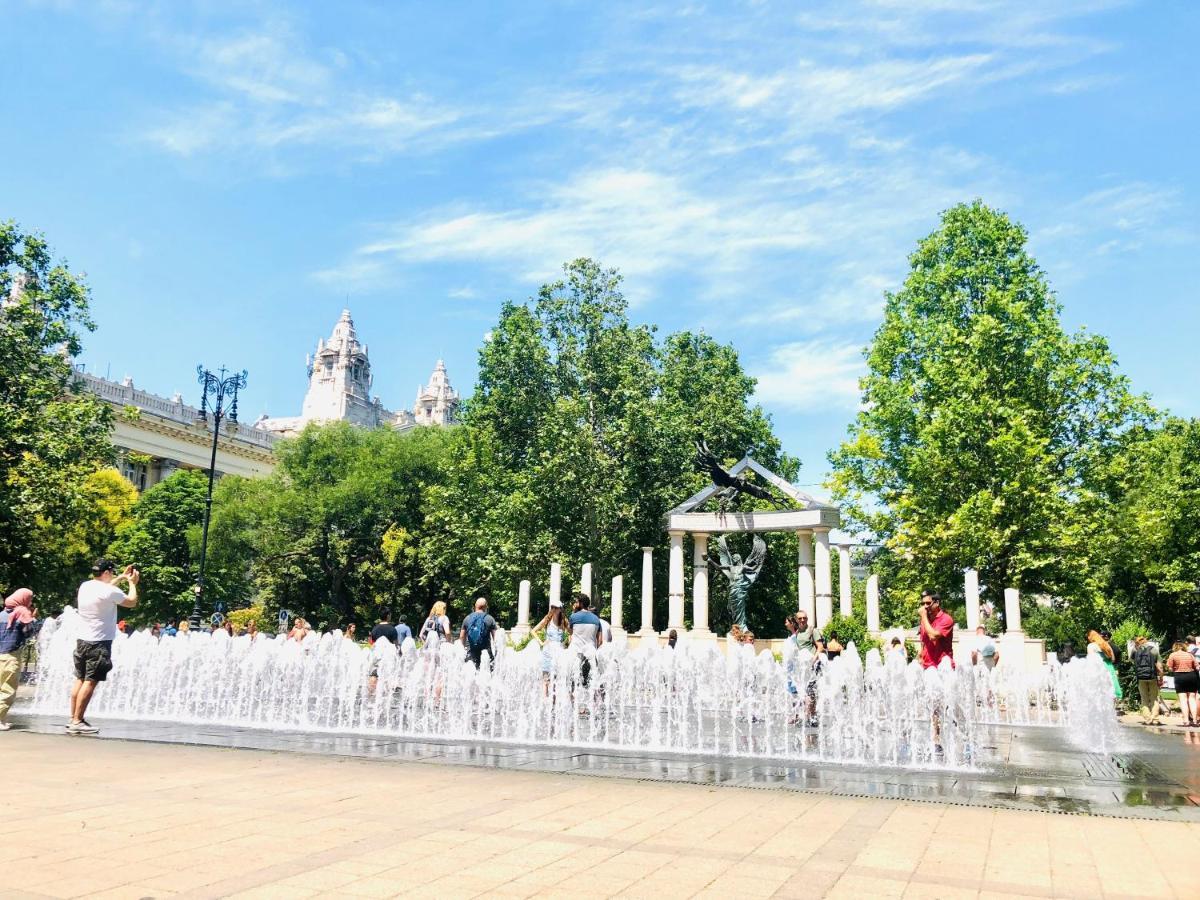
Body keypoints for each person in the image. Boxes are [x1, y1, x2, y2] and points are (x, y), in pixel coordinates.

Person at [69, 559, 139, 734]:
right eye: (112, 572)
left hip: (82, 641)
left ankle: (73, 719)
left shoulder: (86, 586)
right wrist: (132, 583)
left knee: (80, 678)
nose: (113, 575)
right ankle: (78, 721)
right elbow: (131, 601)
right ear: (106, 573)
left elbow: (107, 590)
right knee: (90, 681)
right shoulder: (108, 590)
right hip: (99, 642)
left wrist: (121, 577)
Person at [0, 588, 39, 730]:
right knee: (7, 690)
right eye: (29, 599)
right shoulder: (22, 614)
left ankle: (2, 719)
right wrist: (34, 618)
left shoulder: (1, 614)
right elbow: (30, 633)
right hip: (10, 657)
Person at [567, 592, 603, 688]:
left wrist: (574, 611)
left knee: (573, 681)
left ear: (581, 603)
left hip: (576, 653)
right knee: (594, 680)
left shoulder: (573, 617)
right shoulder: (596, 619)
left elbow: (570, 632)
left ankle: (573, 700)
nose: (575, 604)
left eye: (576, 602)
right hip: (591, 655)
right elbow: (600, 640)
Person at [532, 597, 567, 692]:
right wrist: (541, 642)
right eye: (553, 607)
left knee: (556, 680)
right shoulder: (547, 619)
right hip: (548, 652)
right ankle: (545, 703)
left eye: (557, 607)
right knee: (546, 680)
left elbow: (571, 632)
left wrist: (565, 642)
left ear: (560, 609)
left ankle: (553, 704)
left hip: (559, 653)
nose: (554, 609)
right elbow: (533, 631)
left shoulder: (563, 620)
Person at [1166, 641, 1200, 727]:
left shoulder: (1173, 655)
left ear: (1175, 647)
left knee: (1183, 700)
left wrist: (1174, 668)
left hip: (1179, 676)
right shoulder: (1190, 655)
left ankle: (1186, 721)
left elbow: (1169, 668)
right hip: (1192, 676)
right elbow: (1197, 667)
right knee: (1192, 699)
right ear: (1184, 647)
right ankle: (1195, 721)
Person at [918, 592, 954, 669]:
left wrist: (924, 617)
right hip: (927, 666)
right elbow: (923, 641)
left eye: (928, 603)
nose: (925, 606)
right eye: (922, 604)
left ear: (937, 603)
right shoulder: (924, 620)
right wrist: (920, 657)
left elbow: (933, 636)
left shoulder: (946, 619)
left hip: (943, 667)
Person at [460, 598, 498, 670]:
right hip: (486, 652)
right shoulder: (490, 618)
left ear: (475, 606)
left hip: (471, 651)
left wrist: (463, 648)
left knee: (470, 673)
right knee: (488, 673)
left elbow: (462, 636)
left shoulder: (467, 618)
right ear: (486, 607)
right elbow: (496, 637)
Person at [1133, 636, 1163, 725]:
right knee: (1154, 698)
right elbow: (1159, 666)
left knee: (1144, 698)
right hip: (1152, 677)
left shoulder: (1135, 651)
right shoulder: (1153, 650)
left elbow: (1132, 661)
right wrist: (1161, 677)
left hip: (1140, 677)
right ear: (1146, 641)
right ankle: (1155, 719)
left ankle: (1147, 718)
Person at [1087, 629, 1121, 702]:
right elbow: (1113, 658)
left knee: (1098, 688)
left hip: (1097, 668)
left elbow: (1090, 659)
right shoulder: (1106, 645)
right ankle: (1111, 708)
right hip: (1109, 667)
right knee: (1110, 687)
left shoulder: (1091, 646)